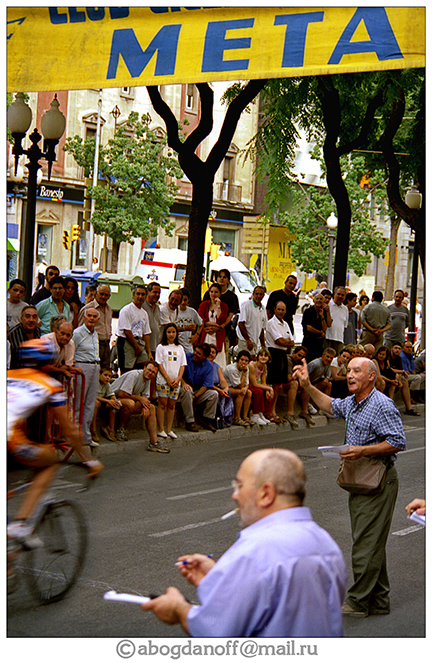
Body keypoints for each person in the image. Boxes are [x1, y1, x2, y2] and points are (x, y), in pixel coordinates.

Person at [142, 448, 347, 637]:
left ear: (266, 494)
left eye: (239, 486)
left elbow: (214, 632)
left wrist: (179, 609)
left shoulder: (254, 552)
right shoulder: (325, 543)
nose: (235, 495)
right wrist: (221, 577)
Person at [293, 356, 406, 617]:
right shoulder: (354, 403)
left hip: (379, 480)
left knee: (365, 543)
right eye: (349, 370)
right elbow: (330, 405)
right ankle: (379, 600)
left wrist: (363, 450)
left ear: (371, 377)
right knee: (370, 540)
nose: (350, 375)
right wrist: (308, 385)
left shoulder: (381, 405)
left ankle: (357, 601)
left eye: (357, 371)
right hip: (360, 481)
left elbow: (398, 441)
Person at [7, 339, 102, 546]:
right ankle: (20, 522)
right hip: (10, 438)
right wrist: (88, 460)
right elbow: (70, 430)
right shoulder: (50, 384)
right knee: (51, 459)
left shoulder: (7, 375)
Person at [110, 361, 168, 452]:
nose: (150, 373)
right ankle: (120, 430)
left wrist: (145, 407)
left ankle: (154, 443)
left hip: (126, 400)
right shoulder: (134, 375)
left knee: (151, 407)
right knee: (130, 403)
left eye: (153, 372)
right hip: (112, 399)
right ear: (144, 368)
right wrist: (140, 399)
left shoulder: (147, 380)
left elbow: (145, 397)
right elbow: (122, 393)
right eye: (149, 370)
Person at [72, 308, 101, 447]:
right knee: (79, 402)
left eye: (94, 316)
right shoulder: (77, 333)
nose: (92, 318)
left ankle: (85, 437)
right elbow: (71, 351)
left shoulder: (95, 333)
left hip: (95, 366)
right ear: (84, 317)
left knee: (90, 402)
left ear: (98, 319)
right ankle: (74, 436)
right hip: (82, 366)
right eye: (89, 316)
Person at [265, 300, 295, 426]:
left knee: (279, 386)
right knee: (274, 385)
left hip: (283, 354)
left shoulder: (286, 324)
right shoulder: (271, 323)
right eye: (279, 309)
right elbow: (279, 341)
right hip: (274, 353)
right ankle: (269, 412)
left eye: (283, 310)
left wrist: (286, 342)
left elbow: (292, 342)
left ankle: (273, 410)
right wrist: (286, 342)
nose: (281, 312)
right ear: (274, 309)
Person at [155, 323, 187, 441]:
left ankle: (169, 429)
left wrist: (178, 379)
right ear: (165, 333)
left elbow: (183, 365)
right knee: (162, 404)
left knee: (172, 405)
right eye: (169, 332)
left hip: (176, 381)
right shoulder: (161, 347)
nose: (171, 334)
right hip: (164, 380)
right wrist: (168, 379)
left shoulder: (180, 348)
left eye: (173, 332)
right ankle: (161, 429)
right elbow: (159, 364)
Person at [177, 343, 218, 433]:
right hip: (182, 389)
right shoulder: (187, 357)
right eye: (195, 351)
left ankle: (207, 419)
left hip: (196, 392)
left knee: (214, 394)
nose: (195, 354)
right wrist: (183, 383)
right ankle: (190, 422)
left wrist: (196, 396)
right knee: (187, 390)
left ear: (205, 356)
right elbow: (177, 372)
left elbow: (207, 385)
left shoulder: (208, 366)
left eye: (199, 353)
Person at [116, 284, 152, 374]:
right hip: (127, 341)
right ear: (133, 295)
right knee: (127, 370)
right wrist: (136, 347)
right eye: (138, 294)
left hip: (139, 341)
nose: (140, 297)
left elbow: (146, 334)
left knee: (144, 365)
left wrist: (149, 352)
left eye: (143, 294)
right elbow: (127, 331)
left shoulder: (144, 313)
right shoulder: (126, 310)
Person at [202, 268, 239, 348]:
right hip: (207, 330)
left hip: (224, 331)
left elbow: (230, 316)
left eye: (224, 277)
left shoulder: (232, 297)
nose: (221, 279)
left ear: (228, 280)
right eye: (220, 277)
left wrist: (221, 327)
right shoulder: (208, 294)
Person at [79, 284, 113, 369]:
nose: (103, 297)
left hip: (106, 344)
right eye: (101, 294)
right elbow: (79, 329)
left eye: (106, 295)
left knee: (105, 371)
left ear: (109, 296)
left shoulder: (109, 309)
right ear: (95, 294)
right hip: (93, 344)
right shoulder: (87, 309)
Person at [90, 367, 126, 444]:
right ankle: (93, 429)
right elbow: (93, 396)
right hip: (93, 403)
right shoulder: (94, 383)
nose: (107, 378)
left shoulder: (107, 385)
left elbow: (111, 394)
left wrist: (114, 400)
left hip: (102, 404)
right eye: (105, 375)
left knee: (114, 404)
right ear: (99, 375)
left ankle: (110, 429)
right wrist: (108, 401)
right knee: (97, 403)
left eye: (109, 376)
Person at [197, 283, 229, 367]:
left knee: (219, 359)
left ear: (220, 293)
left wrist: (218, 306)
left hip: (217, 335)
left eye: (216, 292)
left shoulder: (224, 306)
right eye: (211, 292)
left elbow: (221, 320)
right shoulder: (204, 304)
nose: (213, 294)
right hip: (206, 333)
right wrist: (214, 325)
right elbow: (201, 319)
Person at [388, 342, 420, 416]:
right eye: (395, 348)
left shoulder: (398, 358)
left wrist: (400, 377)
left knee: (404, 382)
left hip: (396, 377)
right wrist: (402, 372)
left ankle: (409, 408)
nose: (397, 350)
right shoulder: (388, 357)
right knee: (395, 381)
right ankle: (390, 407)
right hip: (387, 377)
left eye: (399, 349)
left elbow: (400, 371)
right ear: (391, 348)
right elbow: (389, 369)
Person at [223, 350, 252, 427]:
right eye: (242, 360)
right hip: (226, 387)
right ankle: (236, 418)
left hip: (236, 386)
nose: (243, 362)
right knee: (241, 392)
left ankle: (245, 416)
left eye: (246, 361)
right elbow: (239, 386)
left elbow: (246, 383)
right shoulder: (233, 369)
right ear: (238, 360)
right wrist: (244, 374)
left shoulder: (246, 368)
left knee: (248, 392)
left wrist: (246, 388)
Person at [236, 285, 267, 358]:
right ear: (253, 294)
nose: (258, 296)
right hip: (245, 340)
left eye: (260, 294)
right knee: (247, 361)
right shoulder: (246, 305)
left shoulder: (263, 309)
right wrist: (248, 340)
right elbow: (241, 323)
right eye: (256, 294)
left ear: (263, 295)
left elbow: (262, 328)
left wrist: (263, 344)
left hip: (255, 341)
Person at [208, 343, 234, 428]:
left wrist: (225, 388)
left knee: (227, 393)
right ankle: (219, 418)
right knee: (218, 394)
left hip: (216, 386)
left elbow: (222, 380)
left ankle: (227, 418)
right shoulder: (203, 364)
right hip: (207, 387)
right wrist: (220, 390)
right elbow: (207, 382)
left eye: (213, 352)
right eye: (210, 352)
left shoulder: (217, 366)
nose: (211, 354)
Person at [306, 348, 336, 417]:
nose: (329, 359)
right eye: (327, 356)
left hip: (315, 384)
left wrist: (327, 378)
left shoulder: (328, 364)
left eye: (331, 358)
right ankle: (307, 403)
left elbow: (328, 375)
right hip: (306, 385)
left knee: (329, 384)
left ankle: (324, 409)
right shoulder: (315, 364)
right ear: (323, 355)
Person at [247, 347, 274, 425]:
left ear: (268, 358)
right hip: (248, 385)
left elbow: (263, 382)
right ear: (258, 357)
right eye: (261, 355)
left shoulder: (264, 366)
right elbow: (254, 384)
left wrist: (267, 390)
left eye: (265, 356)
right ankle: (254, 414)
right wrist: (269, 388)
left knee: (265, 392)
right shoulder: (252, 366)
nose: (263, 357)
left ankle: (261, 413)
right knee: (259, 391)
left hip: (255, 385)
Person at [301, 292, 329, 361]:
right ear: (313, 300)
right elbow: (308, 328)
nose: (319, 300)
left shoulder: (323, 312)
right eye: (317, 299)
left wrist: (322, 316)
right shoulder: (308, 311)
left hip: (319, 343)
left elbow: (325, 328)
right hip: (308, 341)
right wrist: (320, 332)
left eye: (321, 299)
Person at [176, 288, 203, 354]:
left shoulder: (192, 311)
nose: (183, 302)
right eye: (181, 300)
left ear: (188, 300)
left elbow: (201, 323)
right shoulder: (174, 311)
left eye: (185, 300)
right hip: (176, 343)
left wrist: (196, 335)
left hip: (187, 344)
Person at [325, 286, 348, 354]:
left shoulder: (345, 309)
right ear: (334, 294)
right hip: (328, 338)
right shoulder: (328, 306)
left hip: (339, 339)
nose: (340, 296)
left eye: (342, 295)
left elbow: (345, 325)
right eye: (338, 294)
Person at [142, 282, 162, 357]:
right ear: (148, 292)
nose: (157, 295)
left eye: (159, 293)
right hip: (144, 348)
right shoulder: (142, 306)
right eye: (155, 292)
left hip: (155, 348)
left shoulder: (157, 308)